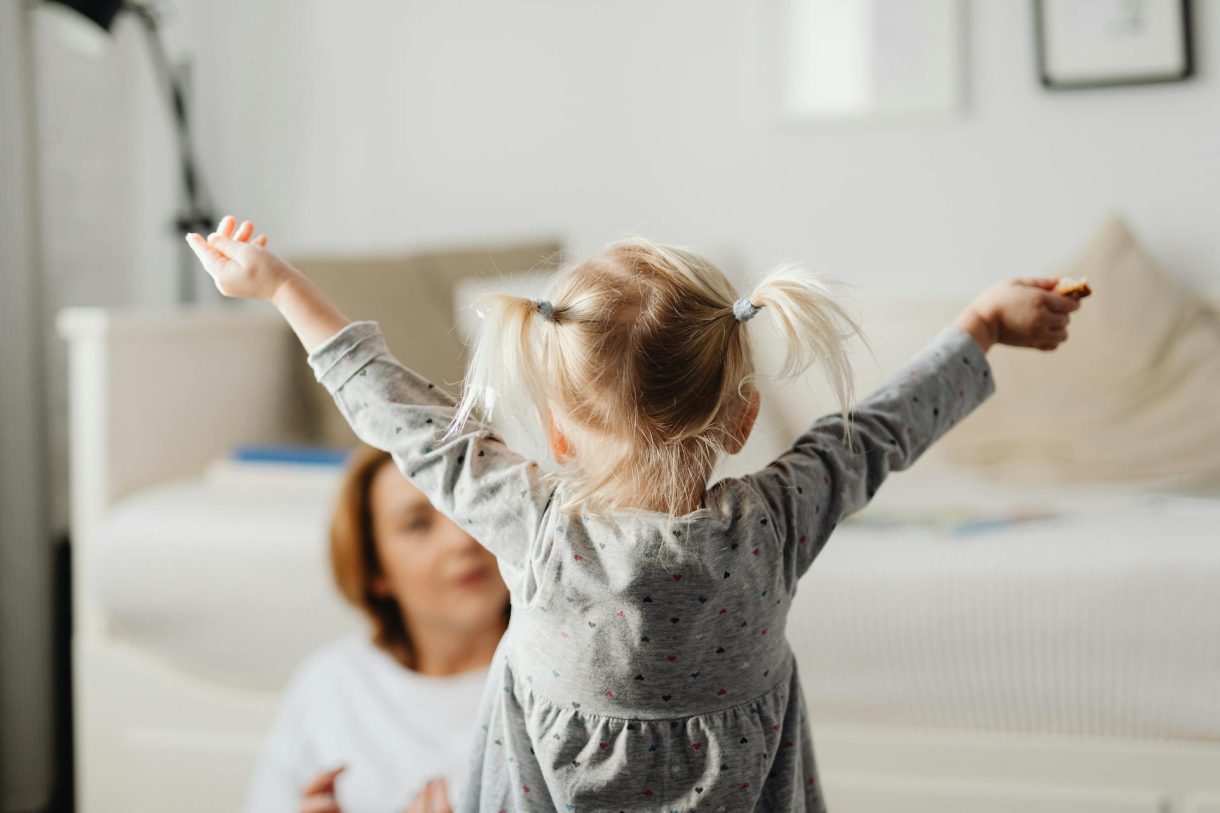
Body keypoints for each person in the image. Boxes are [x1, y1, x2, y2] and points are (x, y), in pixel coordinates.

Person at [190, 214, 1081, 812]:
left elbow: (398, 412)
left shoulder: (538, 531)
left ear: (556, 436)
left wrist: (278, 287)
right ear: (738, 419)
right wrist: (982, 325)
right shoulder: (777, 520)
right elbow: (885, 429)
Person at [243, 442, 510, 813]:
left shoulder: (563, 688)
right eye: (418, 524)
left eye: (466, 506)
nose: (462, 539)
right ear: (376, 570)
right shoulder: (329, 686)